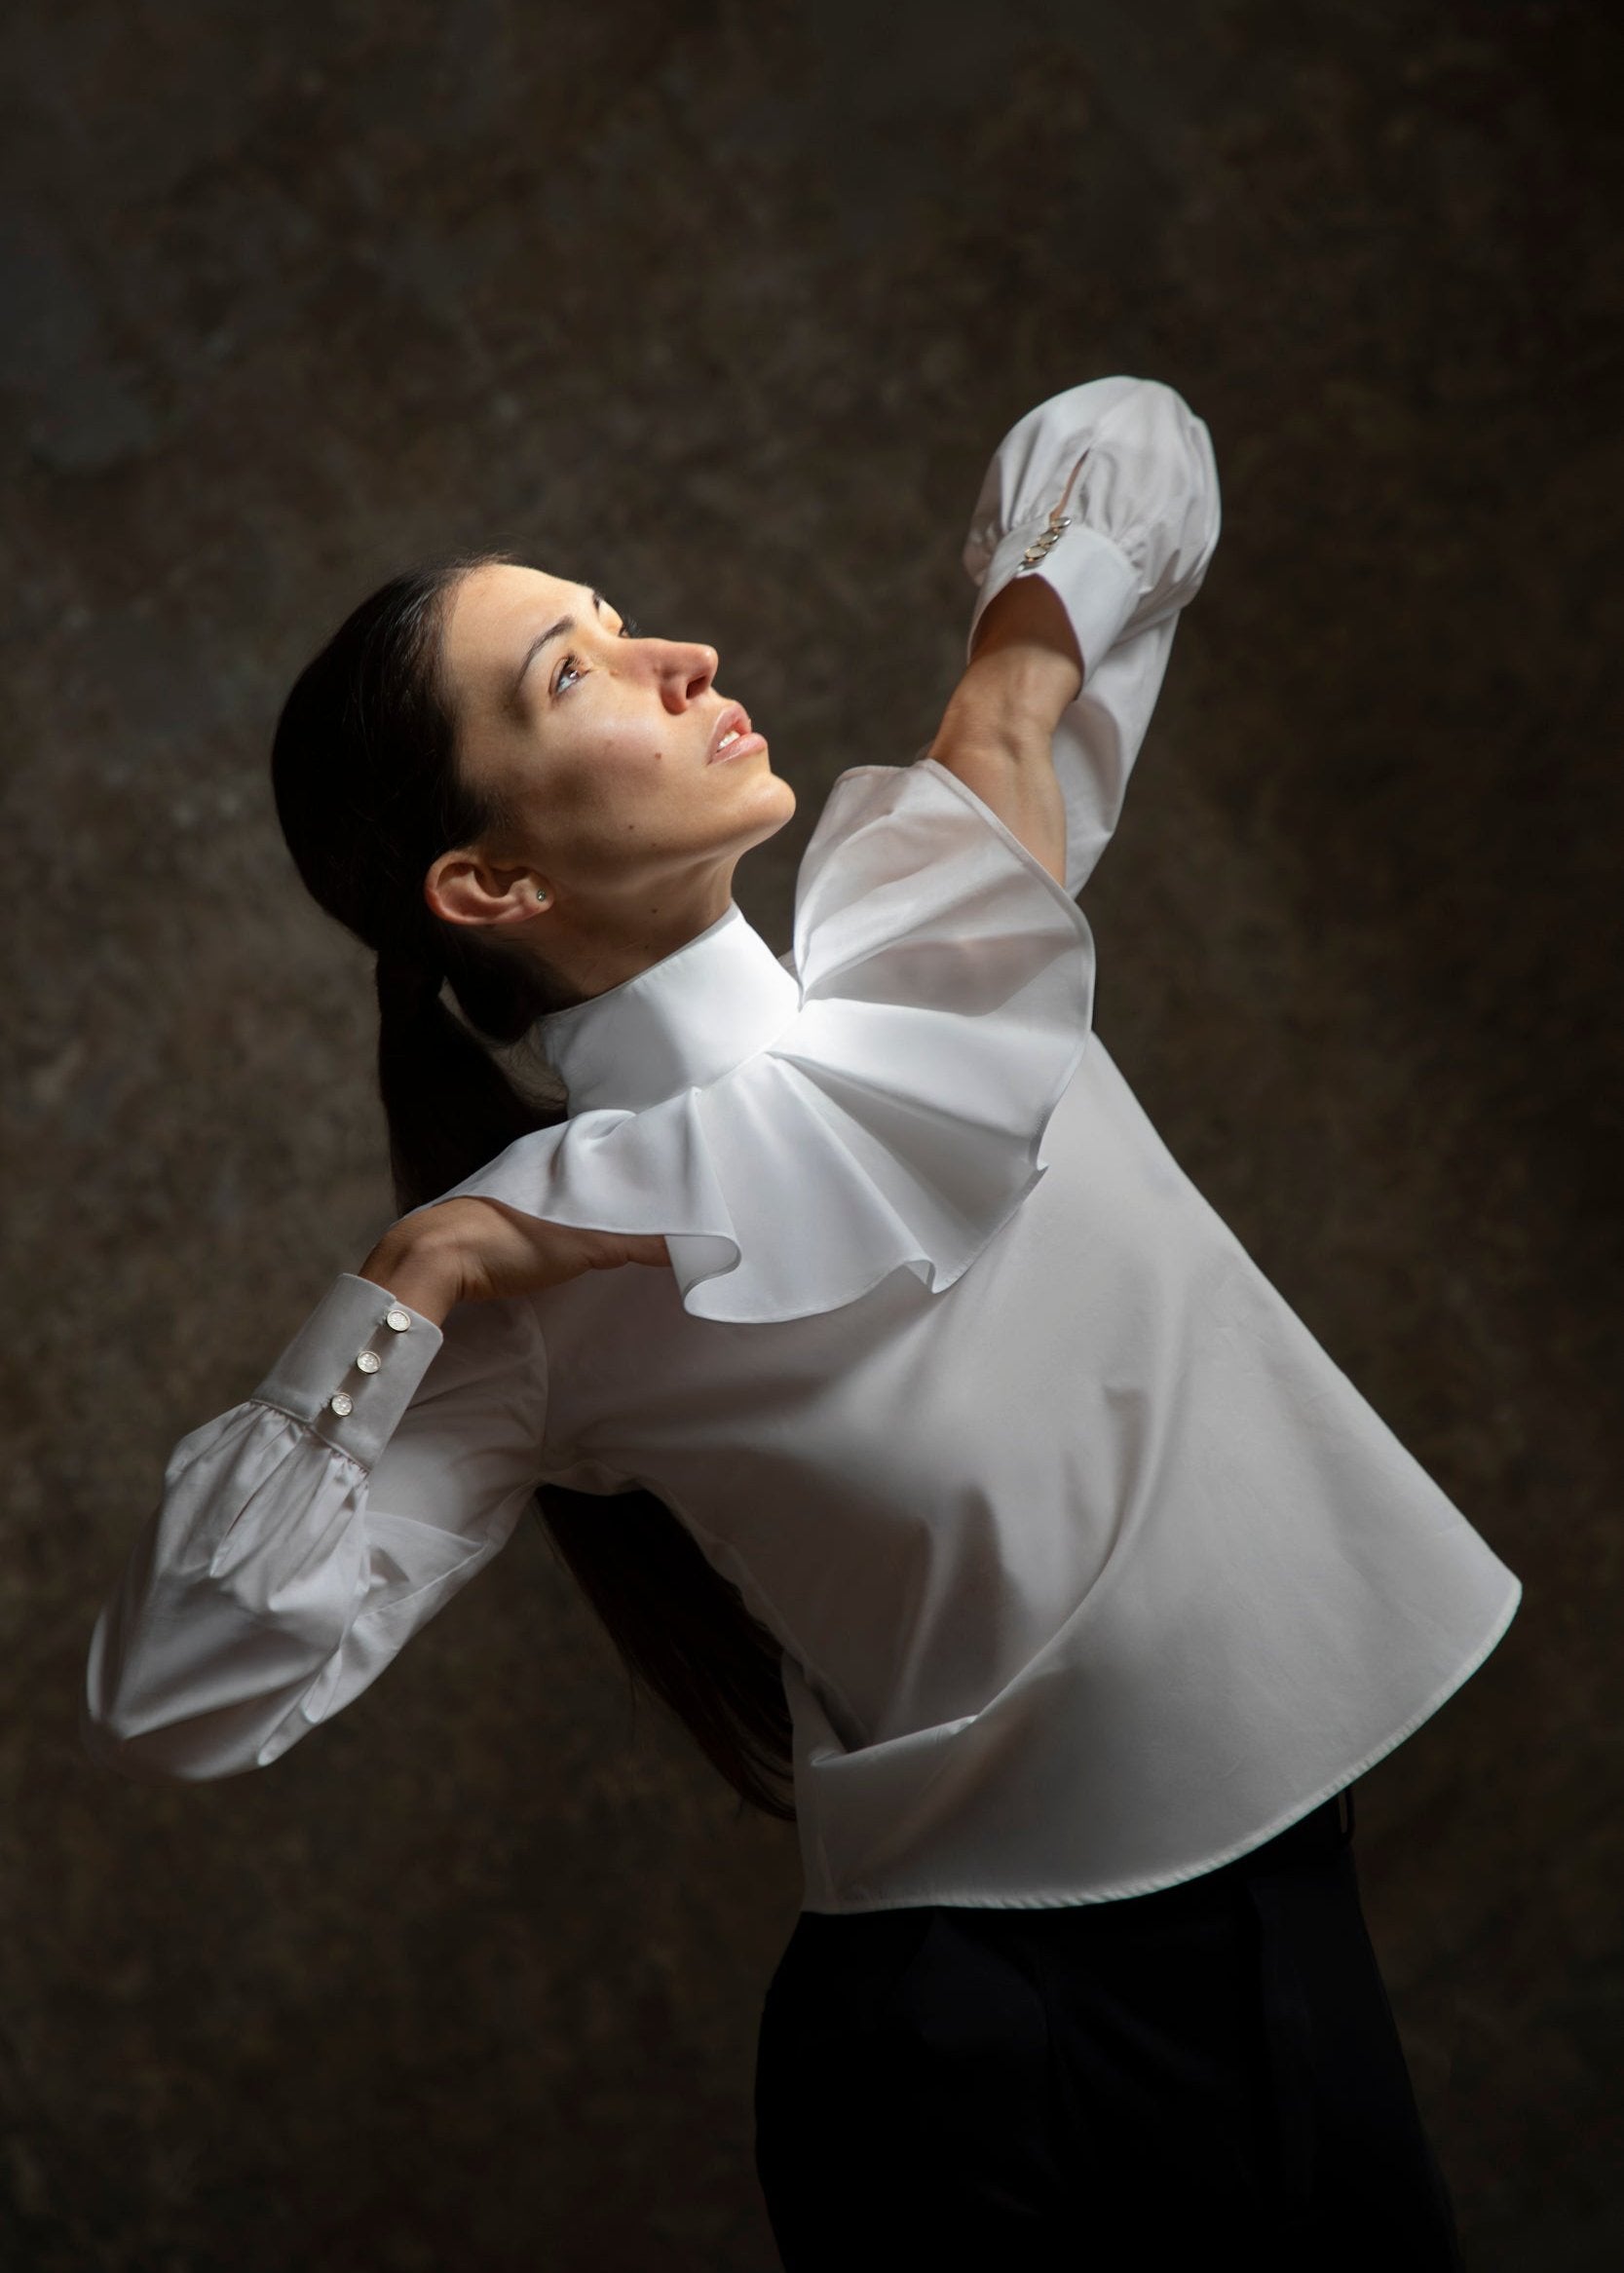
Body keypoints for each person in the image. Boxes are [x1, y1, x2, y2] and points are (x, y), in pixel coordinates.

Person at [82, 376, 1520, 2268]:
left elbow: (1143, 439)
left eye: (620, 618)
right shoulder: (530, 1268)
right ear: (489, 882)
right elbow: (188, 1686)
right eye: (575, 675)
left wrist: (1011, 687)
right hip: (988, 2060)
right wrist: (399, 1290)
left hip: (1259, 1917)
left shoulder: (949, 916)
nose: (681, 657)